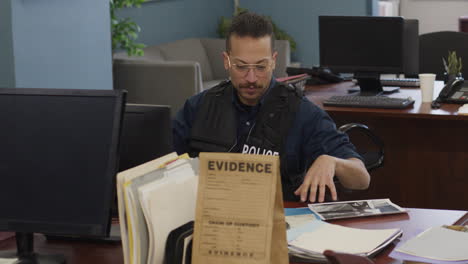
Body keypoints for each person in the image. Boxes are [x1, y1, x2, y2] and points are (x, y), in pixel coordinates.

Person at [173, 12, 370, 202]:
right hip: (211, 218)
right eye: (241, 66)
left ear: (274, 61)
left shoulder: (303, 113)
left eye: (260, 67)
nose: (251, 78)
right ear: (227, 61)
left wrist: (333, 162)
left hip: (282, 223)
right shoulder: (198, 107)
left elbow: (361, 178)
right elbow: (160, 167)